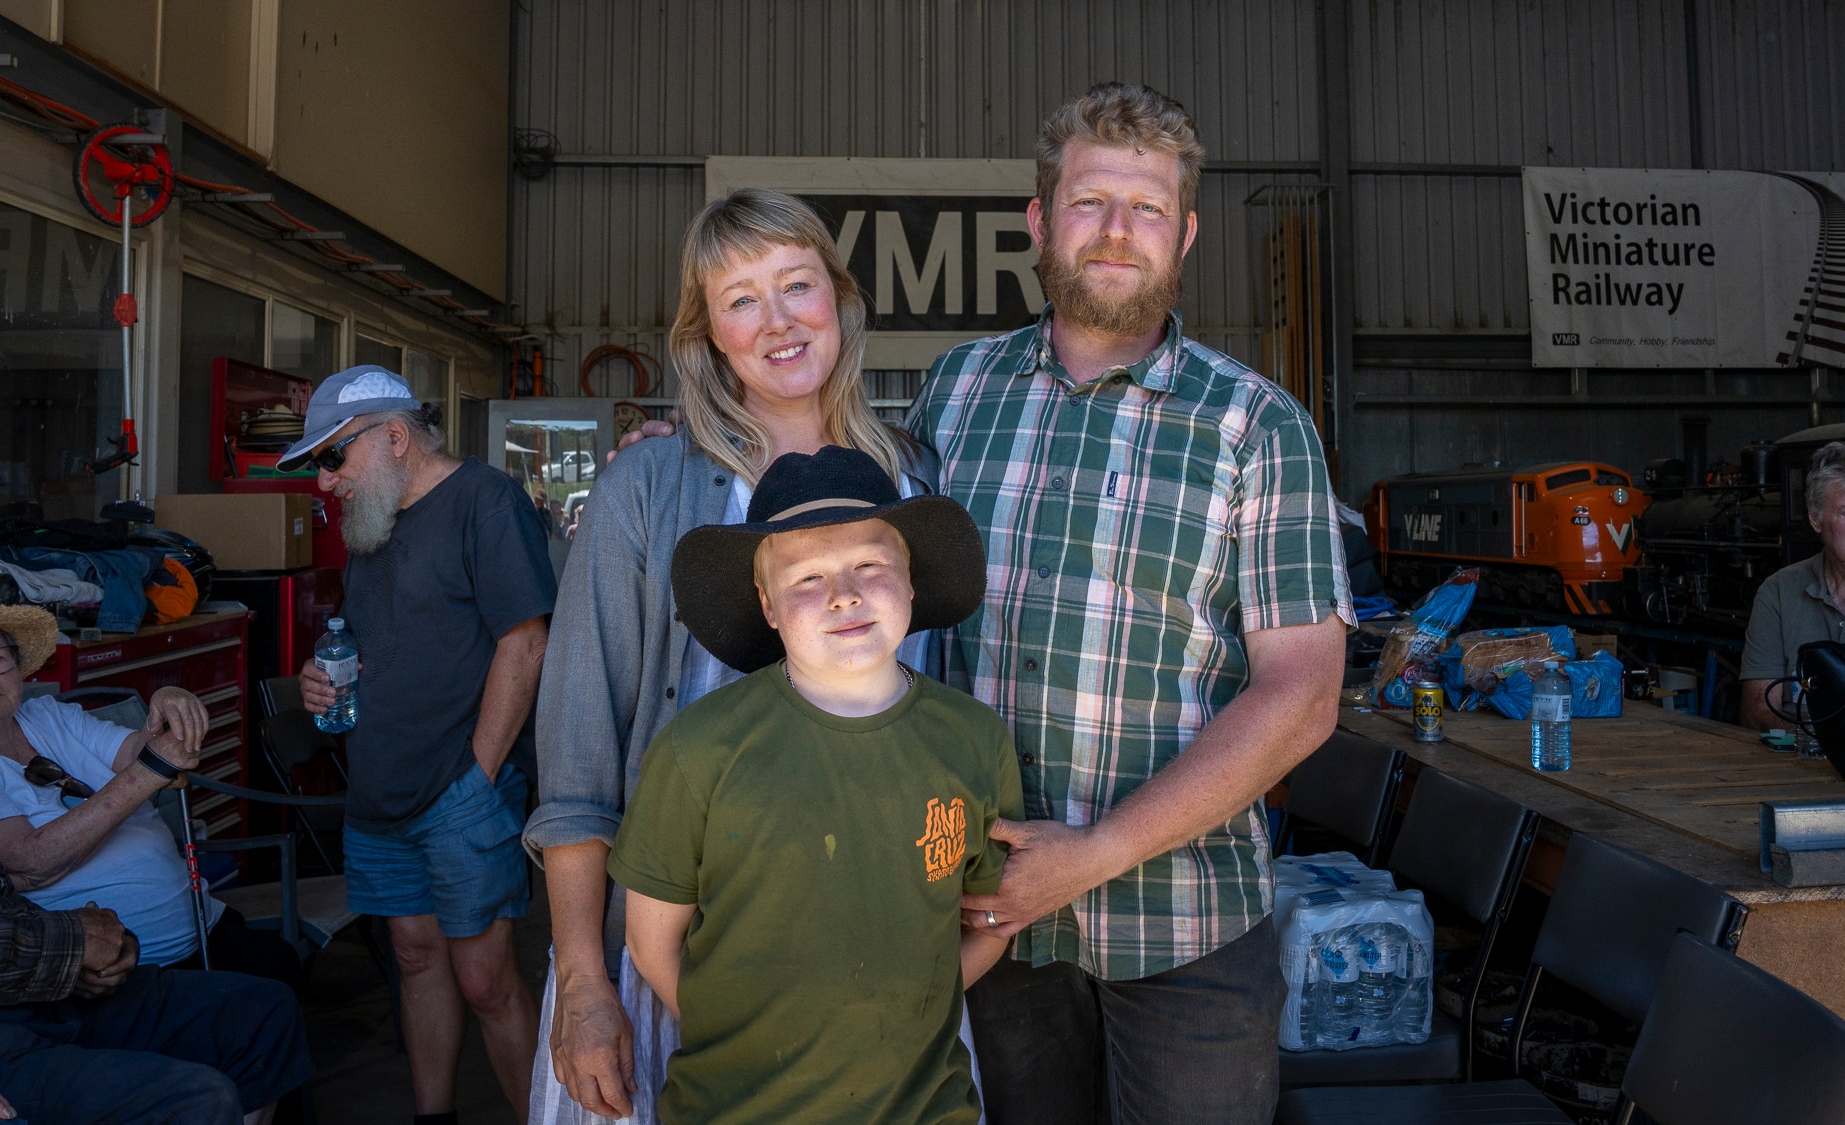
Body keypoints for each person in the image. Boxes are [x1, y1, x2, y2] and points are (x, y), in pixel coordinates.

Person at [905, 83, 1353, 1123]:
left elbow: (1301, 695)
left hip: (1183, 926)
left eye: (1146, 209)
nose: (1115, 232)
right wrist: (711, 451)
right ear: (1037, 220)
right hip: (990, 915)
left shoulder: (1255, 426)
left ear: (1184, 234)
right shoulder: (955, 391)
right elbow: (856, 563)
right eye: (1088, 202)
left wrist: (1092, 855)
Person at [523, 189, 946, 1123]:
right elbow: (579, 755)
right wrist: (585, 979)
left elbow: (941, 724)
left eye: (797, 285)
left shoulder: (915, 478)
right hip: (671, 949)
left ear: (839, 297)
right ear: (708, 333)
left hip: (876, 950)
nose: (778, 321)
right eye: (741, 299)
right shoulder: (648, 485)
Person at [612, 445, 1018, 1124]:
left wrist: (894, 1010)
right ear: (767, 607)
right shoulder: (699, 748)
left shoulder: (975, 740)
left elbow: (991, 920)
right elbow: (652, 944)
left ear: (911, 582)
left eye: (868, 565)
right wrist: (761, 1030)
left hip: (923, 1107)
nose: (844, 594)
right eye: (806, 579)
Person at [0, 563, 309, 1125]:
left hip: (19, 986)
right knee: (197, 1094)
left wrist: (169, 705)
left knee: (263, 1008)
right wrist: (65, 948)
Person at [284, 366, 554, 1123]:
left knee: (486, 978)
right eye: (318, 464)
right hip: (380, 792)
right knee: (414, 956)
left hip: (460, 789)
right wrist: (322, 678)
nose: (326, 481)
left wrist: (479, 773)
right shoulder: (371, 523)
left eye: (333, 457)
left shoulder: (484, 501)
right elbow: (369, 647)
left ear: (395, 436)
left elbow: (525, 643)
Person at [0, 596, 300, 989]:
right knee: (262, 1009)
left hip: (204, 927)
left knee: (282, 969)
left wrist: (170, 706)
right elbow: (30, 862)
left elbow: (143, 752)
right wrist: (149, 771)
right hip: (115, 969)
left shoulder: (49, 715)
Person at [1741, 441, 1845, 728]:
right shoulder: (1778, 592)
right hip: (1798, 762)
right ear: (1815, 519)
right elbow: (1758, 711)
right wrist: (1827, 741)